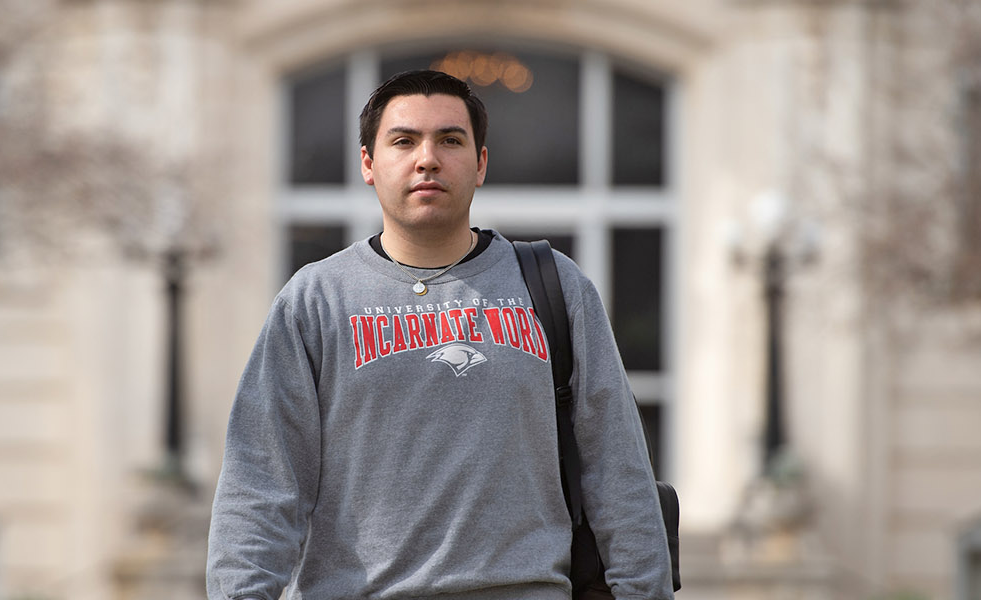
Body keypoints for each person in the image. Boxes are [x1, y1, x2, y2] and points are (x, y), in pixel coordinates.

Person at [206, 69, 673, 600]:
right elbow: (260, 484)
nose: (427, 158)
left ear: (480, 164)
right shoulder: (315, 299)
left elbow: (618, 467)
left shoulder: (554, 285)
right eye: (403, 141)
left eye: (450, 140)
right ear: (368, 163)